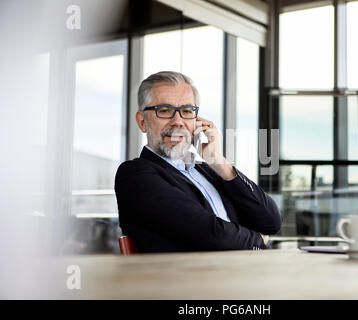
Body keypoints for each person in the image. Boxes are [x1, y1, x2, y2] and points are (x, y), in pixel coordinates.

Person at [114, 71, 281, 253]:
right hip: (185, 279)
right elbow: (212, 235)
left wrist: (219, 162)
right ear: (142, 122)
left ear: (197, 120)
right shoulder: (135, 175)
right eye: (164, 110)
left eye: (186, 111)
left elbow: (271, 221)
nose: (177, 121)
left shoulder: (207, 171)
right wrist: (258, 240)